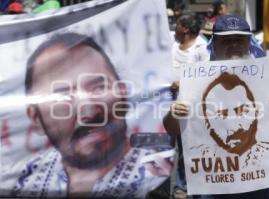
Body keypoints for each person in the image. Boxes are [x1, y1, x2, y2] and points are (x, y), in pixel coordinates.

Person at [1, 33, 172, 198]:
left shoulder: (160, 173)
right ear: (36, 118)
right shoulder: (24, 178)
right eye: (62, 96)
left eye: (99, 88)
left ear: (123, 92)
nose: (88, 112)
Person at [164, 15, 269, 199]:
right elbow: (172, 129)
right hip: (210, 187)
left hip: (255, 185)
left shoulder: (267, 78)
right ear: (214, 44)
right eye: (227, 40)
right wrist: (174, 114)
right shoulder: (196, 79)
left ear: (249, 43)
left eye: (239, 40)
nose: (234, 45)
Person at [171, 13, 210, 199]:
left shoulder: (202, 48)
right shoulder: (172, 45)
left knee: (187, 149)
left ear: (185, 28)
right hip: (166, 107)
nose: (175, 27)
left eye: (178, 24)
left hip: (190, 108)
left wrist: (182, 84)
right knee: (163, 149)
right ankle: (161, 188)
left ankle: (184, 186)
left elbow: (207, 78)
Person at [202, 72, 258, 156]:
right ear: (207, 124)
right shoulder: (202, 158)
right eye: (221, 115)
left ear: (255, 112)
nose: (234, 128)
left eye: (242, 111)